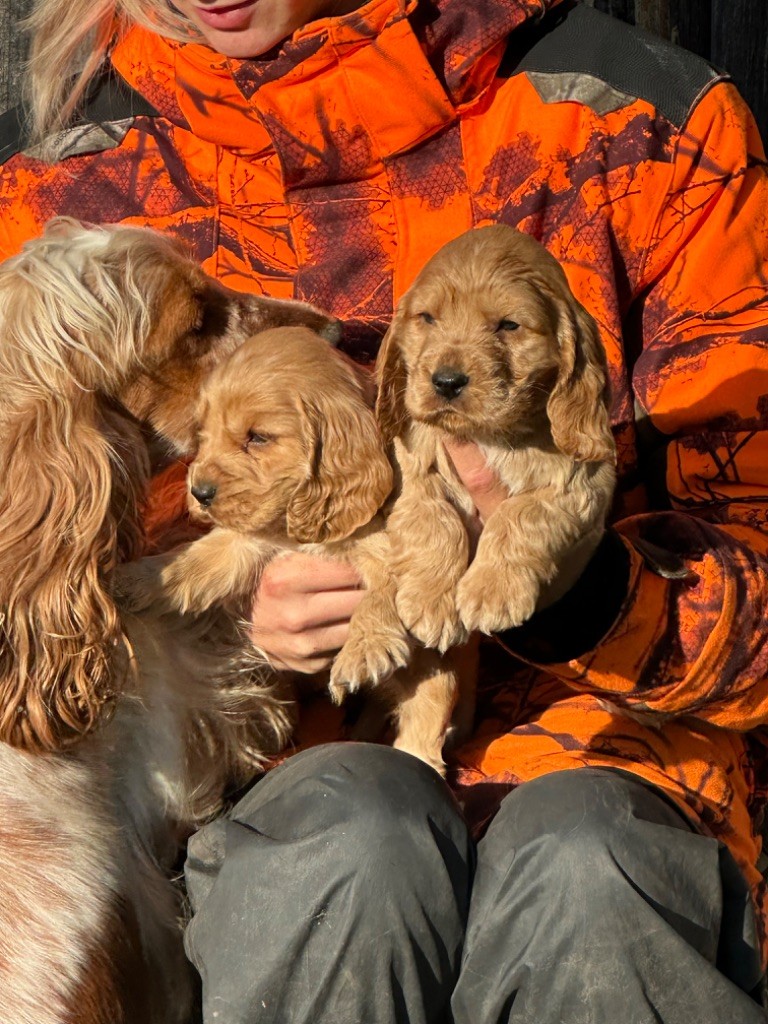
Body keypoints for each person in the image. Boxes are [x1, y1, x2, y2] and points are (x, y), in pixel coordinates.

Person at [2, 0, 768, 1021]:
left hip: (619, 778)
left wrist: (581, 598)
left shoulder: (638, 127)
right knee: (352, 840)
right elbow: (40, 570)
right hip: (262, 808)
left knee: (591, 862)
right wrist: (242, 611)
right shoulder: (69, 187)